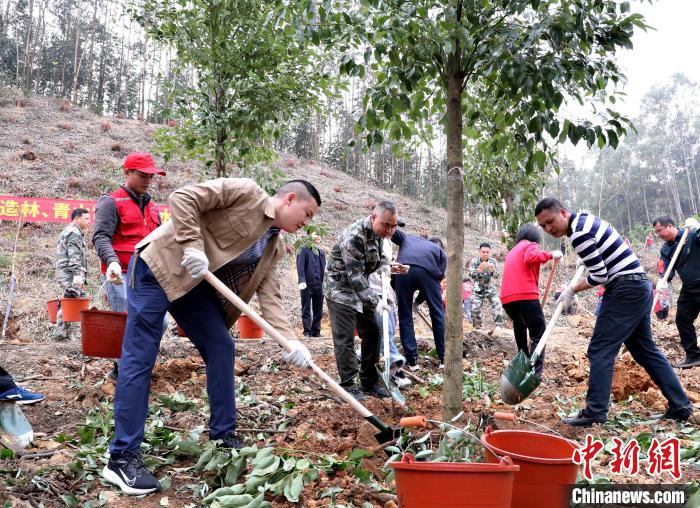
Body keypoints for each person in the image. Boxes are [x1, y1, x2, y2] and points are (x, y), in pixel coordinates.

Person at [102, 179, 320, 496]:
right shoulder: (246, 192)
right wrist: (192, 246)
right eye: (308, 213)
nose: (306, 222)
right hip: (159, 267)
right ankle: (121, 458)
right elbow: (182, 197)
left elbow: (270, 299)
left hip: (192, 287)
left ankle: (224, 435)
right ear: (290, 199)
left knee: (221, 346)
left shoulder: (274, 245)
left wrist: (292, 342)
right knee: (141, 356)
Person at [535, 198, 692, 426]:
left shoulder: (579, 233)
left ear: (563, 212)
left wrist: (572, 289)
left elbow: (600, 276)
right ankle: (681, 406)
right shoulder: (587, 220)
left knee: (600, 349)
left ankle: (595, 412)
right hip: (639, 286)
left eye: (550, 221)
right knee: (645, 350)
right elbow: (603, 255)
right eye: (543, 226)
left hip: (625, 289)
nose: (549, 228)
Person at [93, 152, 165, 382]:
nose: (147, 180)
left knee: (160, 321)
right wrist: (112, 261)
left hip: (148, 276)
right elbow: (101, 236)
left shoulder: (153, 207)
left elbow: (160, 240)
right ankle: (125, 373)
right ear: (127, 172)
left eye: (151, 176)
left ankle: (132, 365)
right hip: (121, 275)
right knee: (128, 321)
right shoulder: (111, 201)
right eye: (142, 175)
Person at [324, 201, 398, 401]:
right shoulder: (354, 236)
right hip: (340, 289)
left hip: (360, 288)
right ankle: (348, 386)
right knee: (345, 337)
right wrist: (377, 302)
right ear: (373, 217)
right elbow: (355, 277)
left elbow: (380, 256)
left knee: (373, 331)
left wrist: (384, 266)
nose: (390, 230)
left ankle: (369, 380)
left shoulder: (380, 234)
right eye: (386, 225)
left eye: (393, 226)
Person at [500, 224, 562, 379]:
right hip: (525, 295)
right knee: (539, 333)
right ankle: (534, 375)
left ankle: (523, 366)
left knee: (519, 327)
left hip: (508, 299)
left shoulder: (512, 251)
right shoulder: (530, 245)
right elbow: (531, 257)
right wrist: (551, 254)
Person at [391, 230, 446, 368]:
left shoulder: (408, 237)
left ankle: (411, 358)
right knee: (437, 313)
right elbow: (435, 280)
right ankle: (444, 357)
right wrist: (420, 301)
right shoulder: (441, 253)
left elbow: (393, 231)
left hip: (403, 270)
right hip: (427, 273)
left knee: (405, 314)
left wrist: (414, 302)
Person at [653, 215, 700, 368]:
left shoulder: (692, 234)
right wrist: (663, 281)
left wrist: (698, 228)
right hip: (688, 288)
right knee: (682, 319)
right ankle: (693, 355)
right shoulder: (665, 248)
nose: (658, 234)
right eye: (656, 232)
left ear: (670, 226)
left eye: (660, 230)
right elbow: (668, 269)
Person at [54, 208, 90, 341]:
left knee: (69, 300)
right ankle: (61, 335)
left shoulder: (69, 231)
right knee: (69, 300)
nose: (89, 222)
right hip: (69, 273)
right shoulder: (74, 233)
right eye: (86, 219)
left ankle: (65, 335)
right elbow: (74, 256)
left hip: (65, 271)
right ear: (77, 219)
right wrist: (78, 276)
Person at [467, 243, 504, 332]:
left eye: (487, 252)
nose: (485, 254)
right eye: (483, 252)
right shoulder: (474, 261)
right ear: (480, 252)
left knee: (497, 303)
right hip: (478, 287)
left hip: (490, 286)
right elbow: (471, 275)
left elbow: (497, 276)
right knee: (475, 307)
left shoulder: (493, 261)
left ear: (490, 252)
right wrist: (478, 271)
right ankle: (478, 327)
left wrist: (492, 271)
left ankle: (498, 326)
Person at [296, 233, 326, 337]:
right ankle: (307, 332)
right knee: (306, 308)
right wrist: (301, 280)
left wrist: (325, 283)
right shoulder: (303, 249)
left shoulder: (321, 252)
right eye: (315, 234)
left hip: (319, 284)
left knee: (318, 309)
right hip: (307, 285)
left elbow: (324, 269)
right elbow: (300, 266)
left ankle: (316, 331)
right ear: (309, 236)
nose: (318, 236)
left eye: (319, 234)